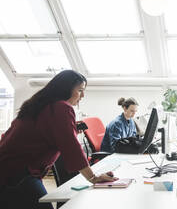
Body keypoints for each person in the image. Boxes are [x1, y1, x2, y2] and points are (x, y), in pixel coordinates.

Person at [0, 70, 118, 209]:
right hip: (17, 174)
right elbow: (72, 147)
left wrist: (69, 129)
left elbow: (41, 132)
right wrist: (93, 177)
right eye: (80, 90)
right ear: (65, 89)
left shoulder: (42, 104)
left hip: (10, 168)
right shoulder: (62, 107)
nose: (83, 96)